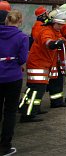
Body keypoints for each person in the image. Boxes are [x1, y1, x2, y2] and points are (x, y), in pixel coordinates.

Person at [19, 9, 66, 122]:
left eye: (62, 25)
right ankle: (28, 115)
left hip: (42, 64)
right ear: (53, 22)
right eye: (59, 24)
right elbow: (47, 42)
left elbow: (62, 40)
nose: (61, 27)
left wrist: (64, 42)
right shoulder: (46, 31)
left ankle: (30, 109)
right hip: (38, 64)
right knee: (36, 90)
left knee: (33, 90)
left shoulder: (55, 31)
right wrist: (54, 43)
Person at [0, 9, 29, 155]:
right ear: (20, 21)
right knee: (10, 112)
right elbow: (23, 59)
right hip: (13, 77)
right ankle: (5, 146)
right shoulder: (22, 37)